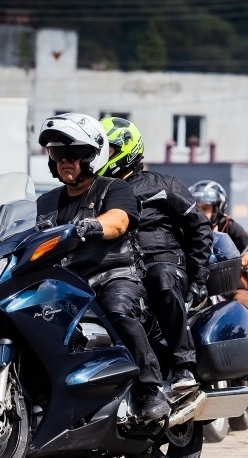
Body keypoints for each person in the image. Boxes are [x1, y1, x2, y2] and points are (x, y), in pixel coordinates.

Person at [35, 112, 170, 420]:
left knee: (117, 310)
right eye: (57, 154)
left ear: (92, 157)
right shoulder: (45, 202)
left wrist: (91, 225)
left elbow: (119, 220)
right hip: (65, 285)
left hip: (113, 276)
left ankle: (149, 390)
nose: (64, 161)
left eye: (73, 154)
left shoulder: (114, 189)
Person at [97, 117, 212, 390]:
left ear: (126, 149)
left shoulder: (162, 184)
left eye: (108, 150)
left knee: (160, 278)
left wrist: (198, 279)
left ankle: (184, 366)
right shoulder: (96, 190)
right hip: (119, 271)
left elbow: (200, 227)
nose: (101, 157)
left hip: (163, 264)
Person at [189, 180, 248, 391]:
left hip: (229, 285)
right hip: (196, 284)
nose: (201, 212)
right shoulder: (186, 227)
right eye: (197, 207)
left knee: (245, 303)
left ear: (218, 210)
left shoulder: (229, 225)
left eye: (206, 208)